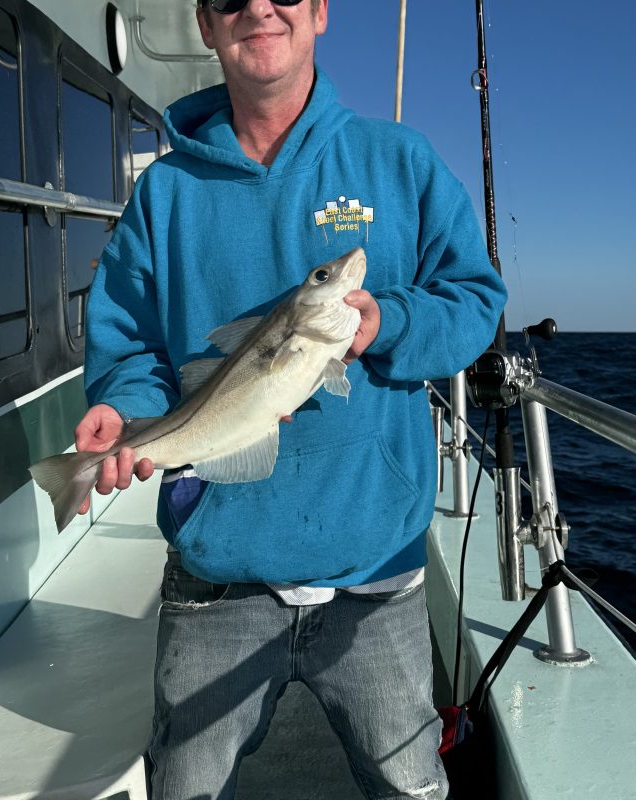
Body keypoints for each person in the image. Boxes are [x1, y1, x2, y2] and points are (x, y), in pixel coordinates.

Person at [74, 0, 507, 797]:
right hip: (217, 575)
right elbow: (129, 339)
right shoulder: (164, 193)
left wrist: (391, 320)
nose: (258, 9)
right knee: (184, 789)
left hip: (375, 568)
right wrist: (125, 407)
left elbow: (475, 301)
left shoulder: (400, 160)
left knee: (408, 786)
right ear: (206, 26)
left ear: (318, 10)